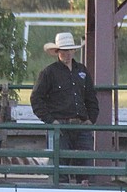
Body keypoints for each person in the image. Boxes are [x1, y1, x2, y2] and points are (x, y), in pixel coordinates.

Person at [31, 31, 98, 184]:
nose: (67, 53)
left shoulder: (82, 71)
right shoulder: (49, 73)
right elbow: (36, 98)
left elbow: (91, 97)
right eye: (64, 50)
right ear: (58, 52)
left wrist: (90, 119)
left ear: (74, 50)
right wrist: (50, 120)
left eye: (70, 50)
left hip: (80, 125)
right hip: (60, 126)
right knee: (59, 170)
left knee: (86, 170)